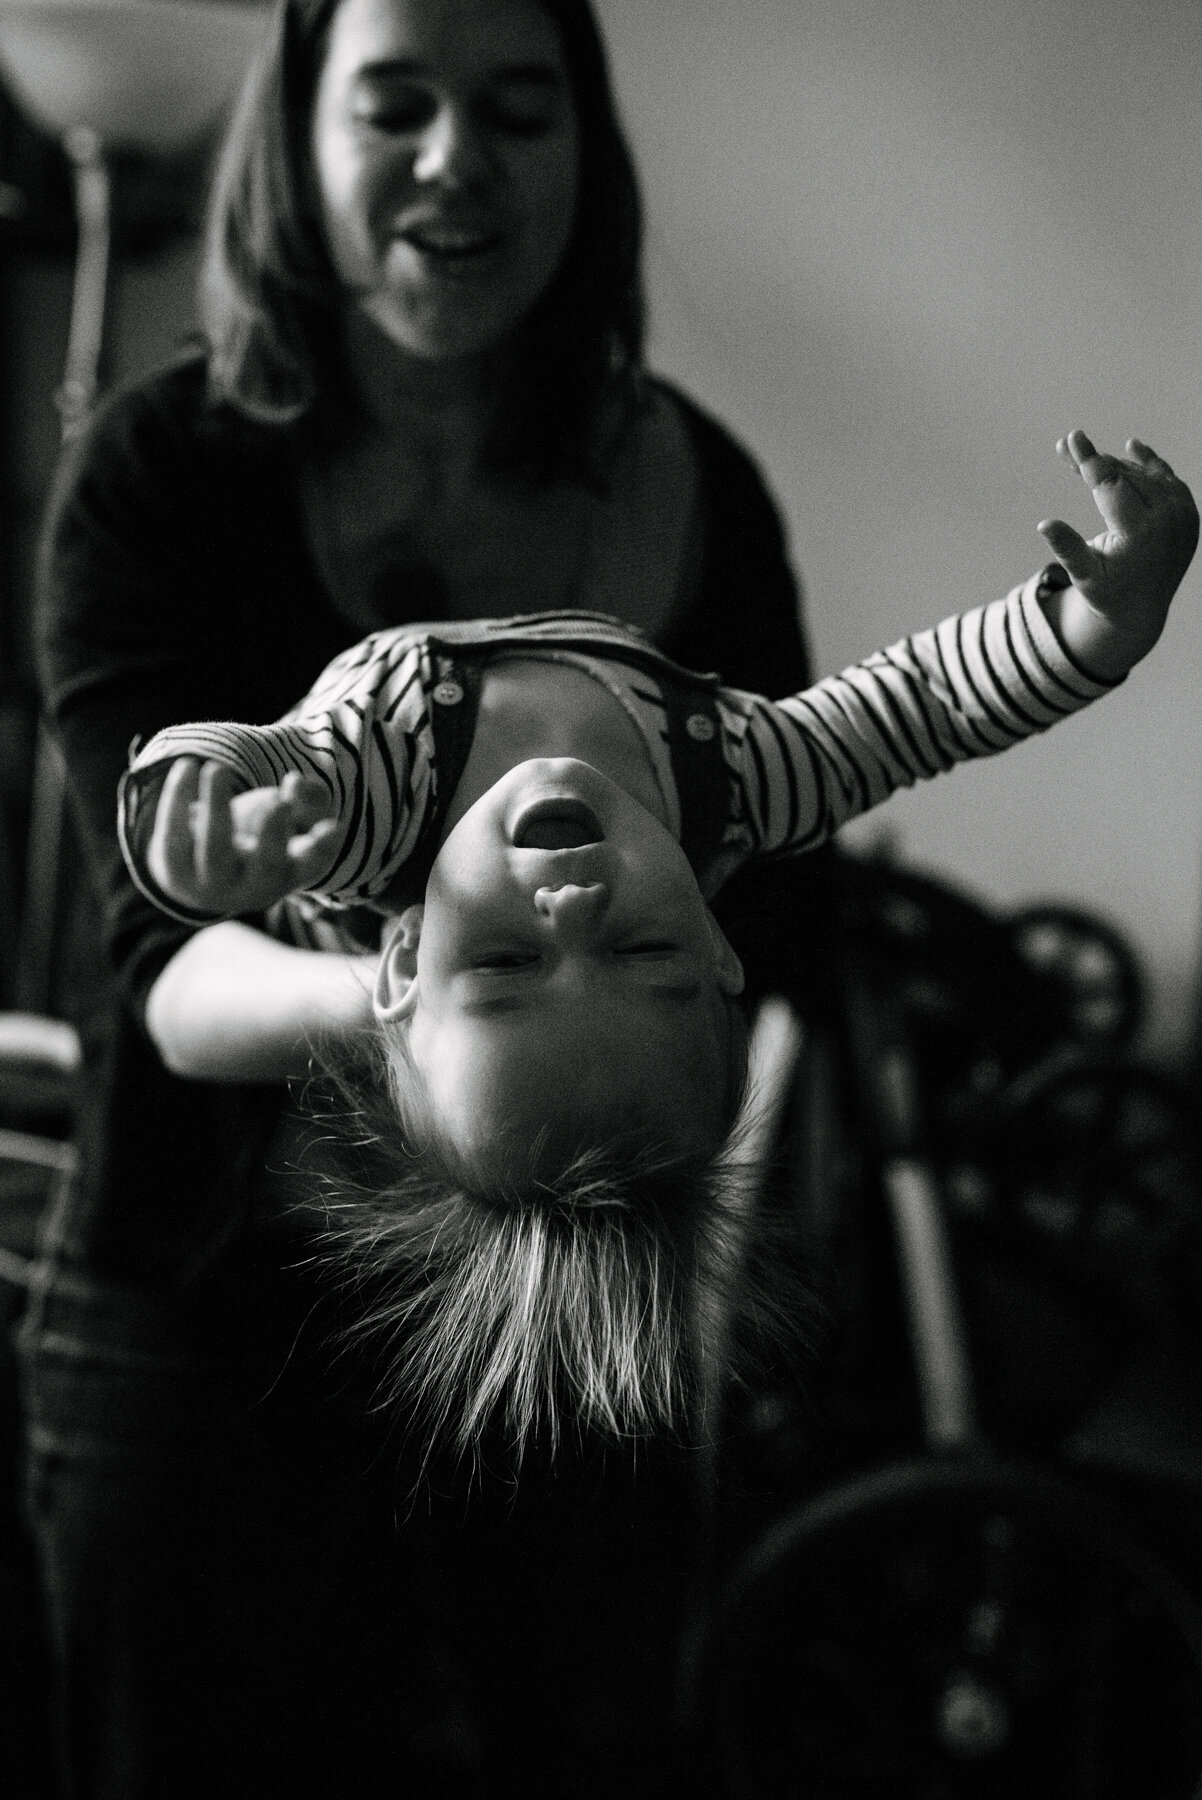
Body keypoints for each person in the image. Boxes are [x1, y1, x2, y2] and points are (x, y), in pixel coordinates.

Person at [19, 0, 836, 1793]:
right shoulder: (155, 482)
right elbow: (159, 965)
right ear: (300, 146)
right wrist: (409, 998)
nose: (456, 158)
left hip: (569, 1300)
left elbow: (784, 918)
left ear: (584, 158)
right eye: (394, 105)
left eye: (517, 108)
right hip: (204, 1299)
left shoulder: (700, 493)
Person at [116, 430, 1198, 1461]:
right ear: (720, 948)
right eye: (642, 954)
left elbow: (259, 762)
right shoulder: (725, 783)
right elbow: (915, 708)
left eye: (501, 966)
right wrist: (1096, 628)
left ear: (403, 962)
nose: (571, 909)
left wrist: (207, 831)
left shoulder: (376, 806)